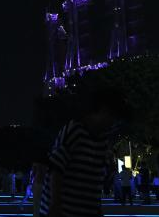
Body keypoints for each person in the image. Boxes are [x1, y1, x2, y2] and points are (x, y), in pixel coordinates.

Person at [40, 87, 128, 217]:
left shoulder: (103, 140)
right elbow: (56, 170)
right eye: (113, 119)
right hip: (64, 211)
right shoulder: (75, 130)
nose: (113, 125)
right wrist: (55, 206)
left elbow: (94, 181)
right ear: (104, 110)